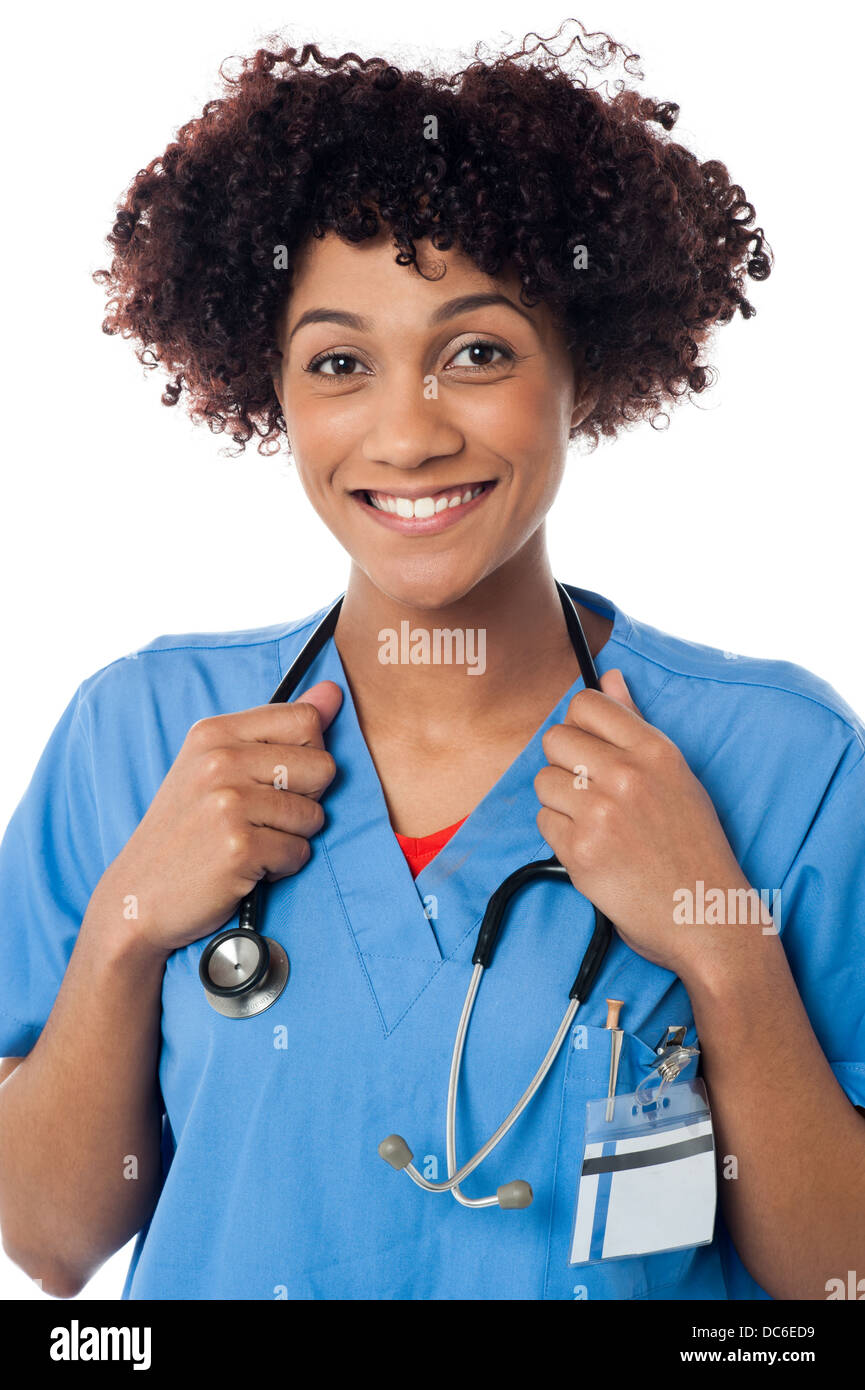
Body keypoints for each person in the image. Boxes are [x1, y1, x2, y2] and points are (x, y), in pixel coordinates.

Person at [0, 24, 863, 1303]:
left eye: (479, 352)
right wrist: (129, 928)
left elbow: (837, 1282)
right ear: (272, 390)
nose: (406, 434)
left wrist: (723, 954)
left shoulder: (782, 758)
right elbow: (50, 1242)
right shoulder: (138, 732)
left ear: (585, 369)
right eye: (340, 363)